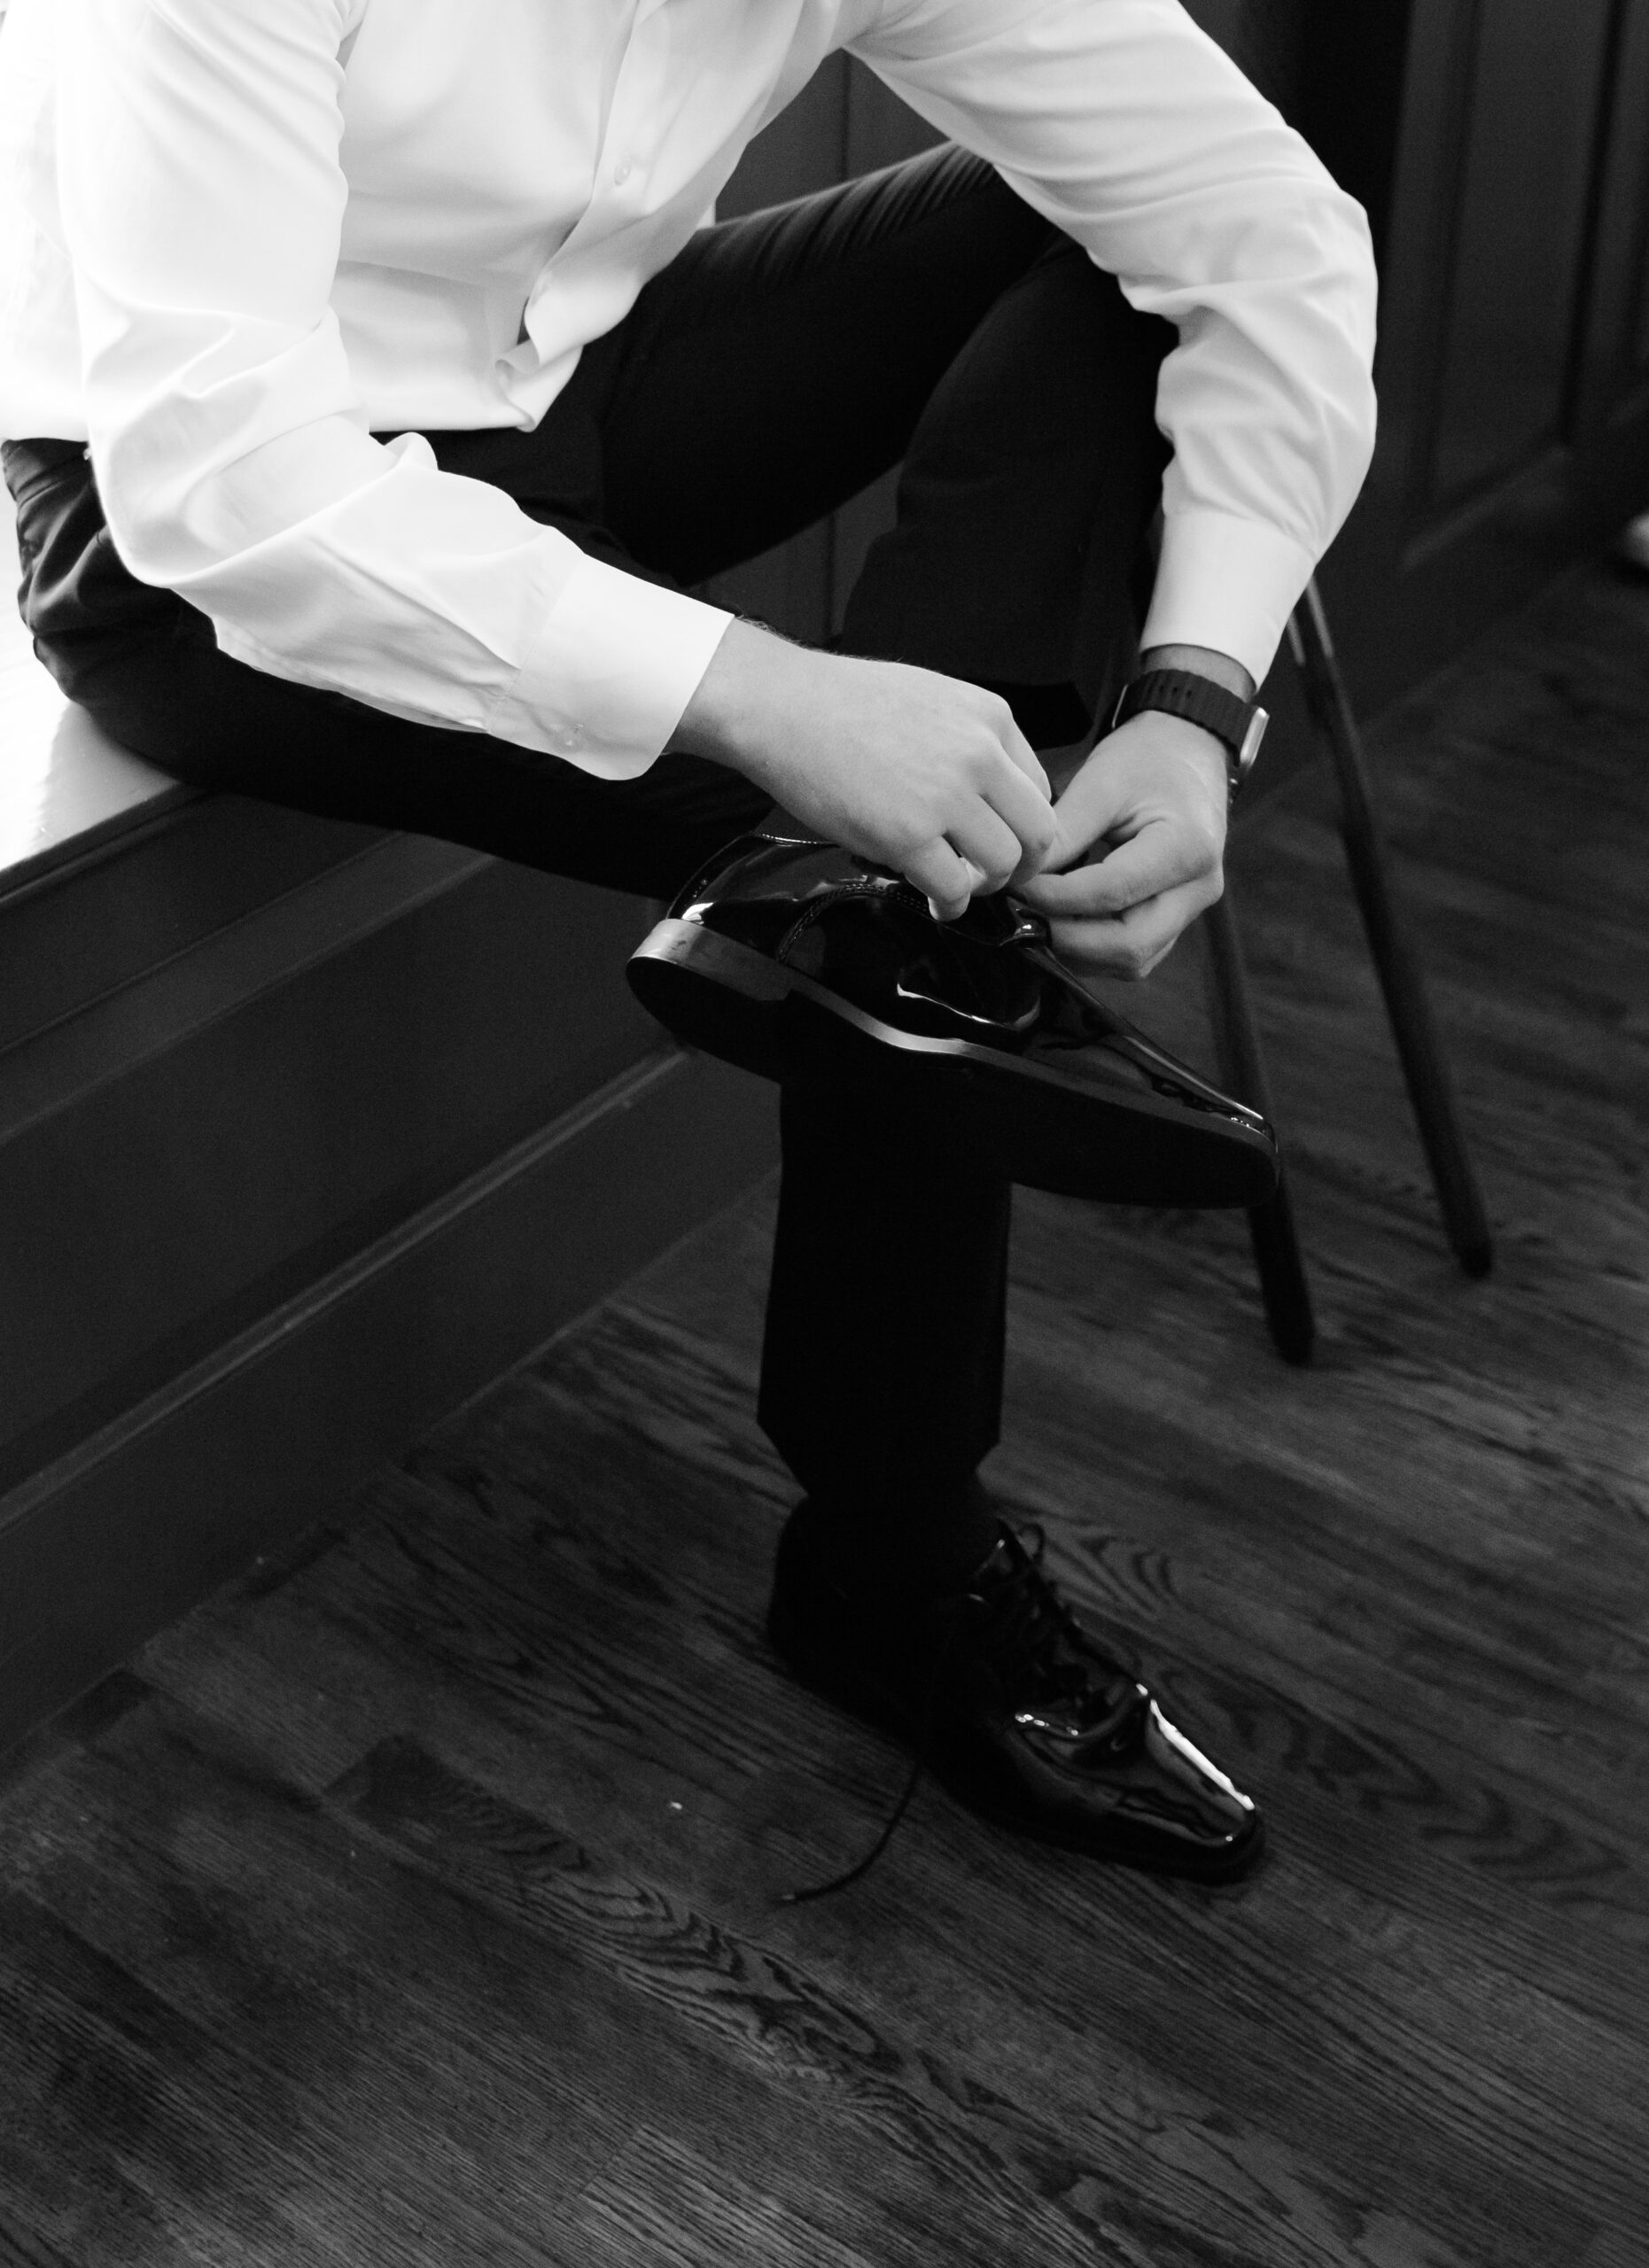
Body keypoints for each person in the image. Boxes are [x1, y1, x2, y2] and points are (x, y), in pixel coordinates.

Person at [0, 0, 1376, 1884]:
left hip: (573, 377)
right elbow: (228, 475)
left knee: (1096, 237)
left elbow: (1267, 227)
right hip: (186, 532)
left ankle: (900, 878)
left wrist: (1192, 697)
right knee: (886, 898)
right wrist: (766, 698)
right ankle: (898, 1555)